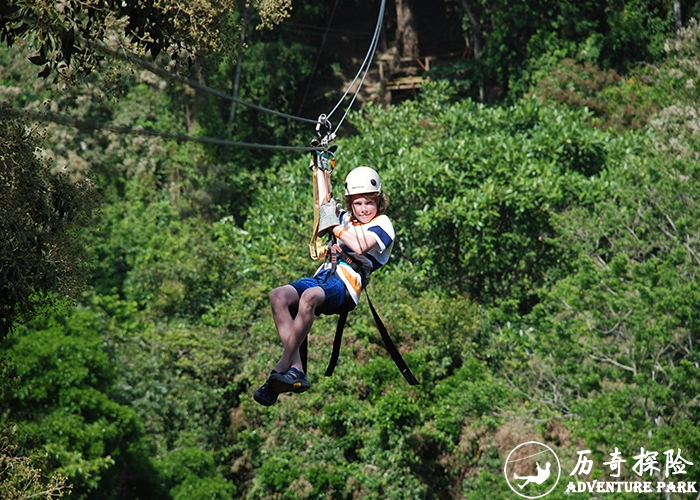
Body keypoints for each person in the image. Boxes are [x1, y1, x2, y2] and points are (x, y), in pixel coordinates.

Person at [254, 166, 394, 406]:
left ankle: (280, 367)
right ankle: (295, 369)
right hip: (324, 276)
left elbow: (360, 247)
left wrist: (335, 227)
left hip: (347, 284)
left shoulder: (382, 224)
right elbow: (325, 201)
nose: (363, 209)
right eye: (358, 203)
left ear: (378, 202)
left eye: (369, 203)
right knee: (278, 296)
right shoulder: (346, 218)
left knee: (308, 297)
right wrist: (319, 167)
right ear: (351, 203)